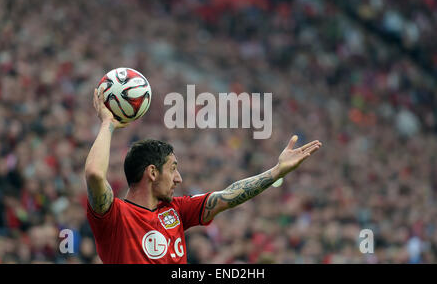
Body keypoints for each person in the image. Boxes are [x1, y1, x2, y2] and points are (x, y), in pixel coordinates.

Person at [85, 88, 322, 264]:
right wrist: (108, 123)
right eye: (173, 168)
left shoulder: (176, 210)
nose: (179, 178)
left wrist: (276, 172)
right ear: (153, 172)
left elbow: (228, 196)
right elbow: (95, 173)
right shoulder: (114, 217)